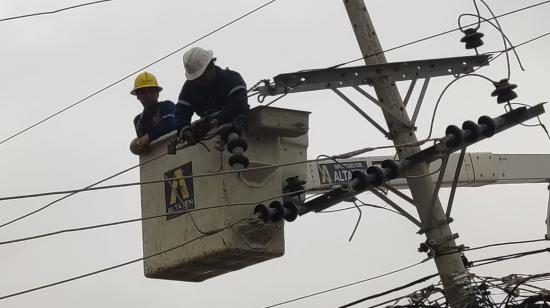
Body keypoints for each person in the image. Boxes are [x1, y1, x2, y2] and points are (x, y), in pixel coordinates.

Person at [175, 47, 249, 137]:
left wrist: (214, 121)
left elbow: (240, 105)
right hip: (212, 132)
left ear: (211, 66)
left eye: (202, 76)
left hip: (238, 126)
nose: (200, 81)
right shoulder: (190, 87)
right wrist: (184, 128)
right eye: (196, 79)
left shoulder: (231, 78)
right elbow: (182, 111)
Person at [130, 72, 176, 154]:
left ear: (157, 93)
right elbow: (143, 147)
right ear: (138, 96)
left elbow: (171, 125)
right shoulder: (138, 121)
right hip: (155, 159)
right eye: (144, 92)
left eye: (151, 91)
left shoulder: (166, 106)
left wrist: (148, 137)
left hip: (175, 151)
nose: (148, 96)